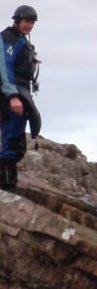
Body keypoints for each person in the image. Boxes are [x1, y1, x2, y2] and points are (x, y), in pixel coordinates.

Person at [0, 5, 41, 192]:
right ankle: (5, 186)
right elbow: (5, 67)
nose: (29, 26)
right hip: (11, 95)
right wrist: (12, 96)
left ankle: (9, 184)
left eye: (32, 23)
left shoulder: (21, 40)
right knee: (11, 140)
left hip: (22, 93)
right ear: (17, 20)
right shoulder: (8, 38)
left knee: (17, 142)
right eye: (26, 22)